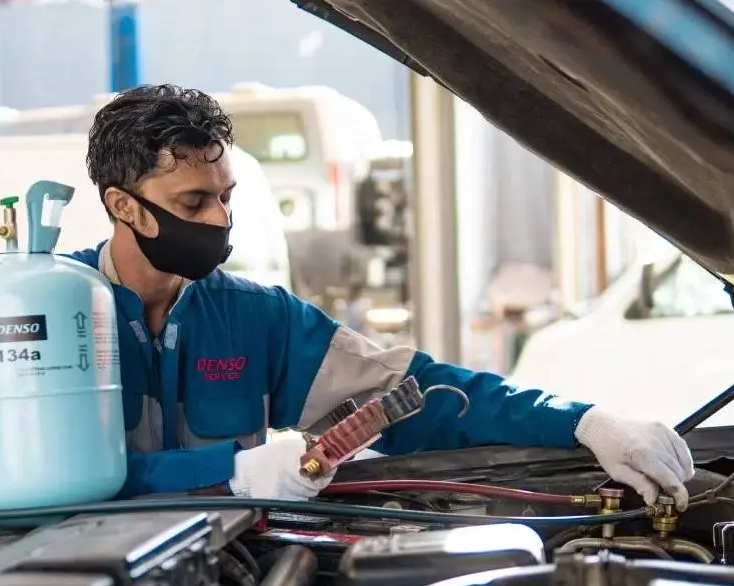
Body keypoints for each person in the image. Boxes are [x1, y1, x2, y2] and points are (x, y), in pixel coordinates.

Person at [66, 84, 695, 507]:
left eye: (226, 197)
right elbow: (41, 483)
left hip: (230, 583)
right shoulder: (49, 313)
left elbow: (418, 394)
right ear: (123, 205)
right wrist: (231, 473)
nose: (219, 220)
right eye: (193, 203)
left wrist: (584, 422)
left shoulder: (254, 318)